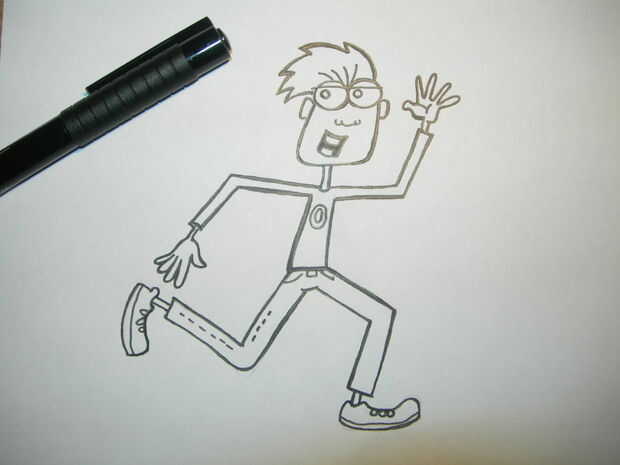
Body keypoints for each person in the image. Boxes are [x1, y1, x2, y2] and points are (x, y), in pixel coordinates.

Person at [121, 42, 460, 430]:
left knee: (251, 353)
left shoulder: (335, 189)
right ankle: (156, 302)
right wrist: (191, 236)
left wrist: (424, 127)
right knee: (262, 349)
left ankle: (159, 304)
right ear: (307, 111)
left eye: (361, 99)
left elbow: (397, 186)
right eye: (329, 98)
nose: (345, 119)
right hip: (304, 275)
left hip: (312, 276)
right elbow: (235, 183)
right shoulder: (303, 185)